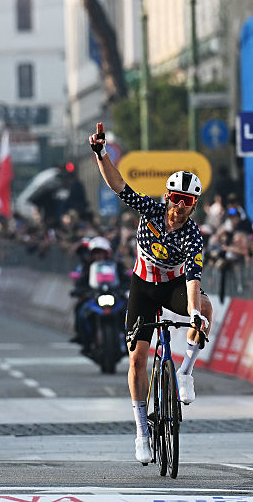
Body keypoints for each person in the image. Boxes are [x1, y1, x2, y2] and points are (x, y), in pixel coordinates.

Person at [88, 123, 213, 465]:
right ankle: (142, 432)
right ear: (168, 196)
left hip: (174, 286)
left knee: (204, 305)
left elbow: (192, 277)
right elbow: (118, 185)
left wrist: (193, 313)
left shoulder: (192, 235)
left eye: (188, 202)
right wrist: (100, 153)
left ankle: (185, 371)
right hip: (143, 285)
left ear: (195, 205)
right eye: (176, 199)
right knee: (137, 359)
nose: (180, 207)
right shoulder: (150, 210)